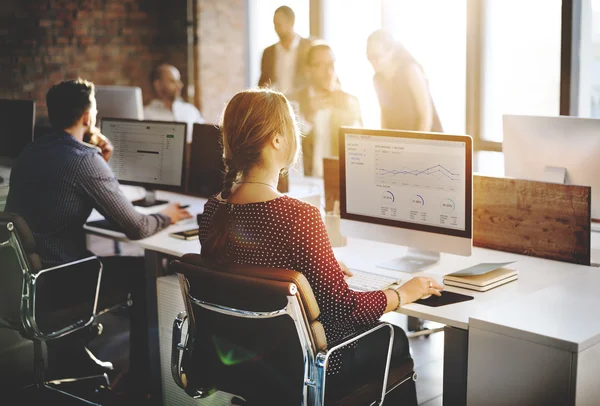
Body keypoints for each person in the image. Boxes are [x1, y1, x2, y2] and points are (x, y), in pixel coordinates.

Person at [198, 88, 443, 403]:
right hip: (310, 366)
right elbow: (344, 310)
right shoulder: (299, 217)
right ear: (276, 139)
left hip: (245, 360)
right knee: (392, 336)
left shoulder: (213, 210)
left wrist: (315, 266)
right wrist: (402, 294)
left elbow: (248, 268)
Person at [6, 78, 191, 397]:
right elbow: (137, 228)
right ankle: (142, 379)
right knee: (145, 275)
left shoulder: (31, 151)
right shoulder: (84, 159)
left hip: (18, 283)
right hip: (58, 283)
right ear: (88, 118)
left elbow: (61, 193)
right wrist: (168, 215)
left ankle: (71, 355)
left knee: (105, 262)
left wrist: (98, 163)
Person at [289, 42, 362, 177]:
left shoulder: (350, 101)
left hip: (337, 181)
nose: (328, 71)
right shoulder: (292, 101)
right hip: (304, 183)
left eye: (331, 65)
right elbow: (287, 146)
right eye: (320, 65)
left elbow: (360, 150)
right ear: (308, 70)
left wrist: (347, 115)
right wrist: (309, 116)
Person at [367, 29, 443, 133]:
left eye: (377, 56)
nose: (372, 62)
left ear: (391, 52)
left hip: (427, 139)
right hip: (400, 142)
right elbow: (384, 116)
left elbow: (426, 117)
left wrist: (415, 146)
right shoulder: (377, 79)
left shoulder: (410, 70)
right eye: (369, 57)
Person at [144, 63, 205, 143]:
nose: (179, 85)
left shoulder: (191, 110)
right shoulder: (145, 115)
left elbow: (204, 138)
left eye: (179, 81)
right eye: (172, 81)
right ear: (158, 85)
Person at [258, 5, 311, 94]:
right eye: (274, 24)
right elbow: (263, 82)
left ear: (291, 22)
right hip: (276, 104)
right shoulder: (268, 52)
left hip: (302, 103)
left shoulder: (308, 47)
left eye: (279, 24)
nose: (276, 28)